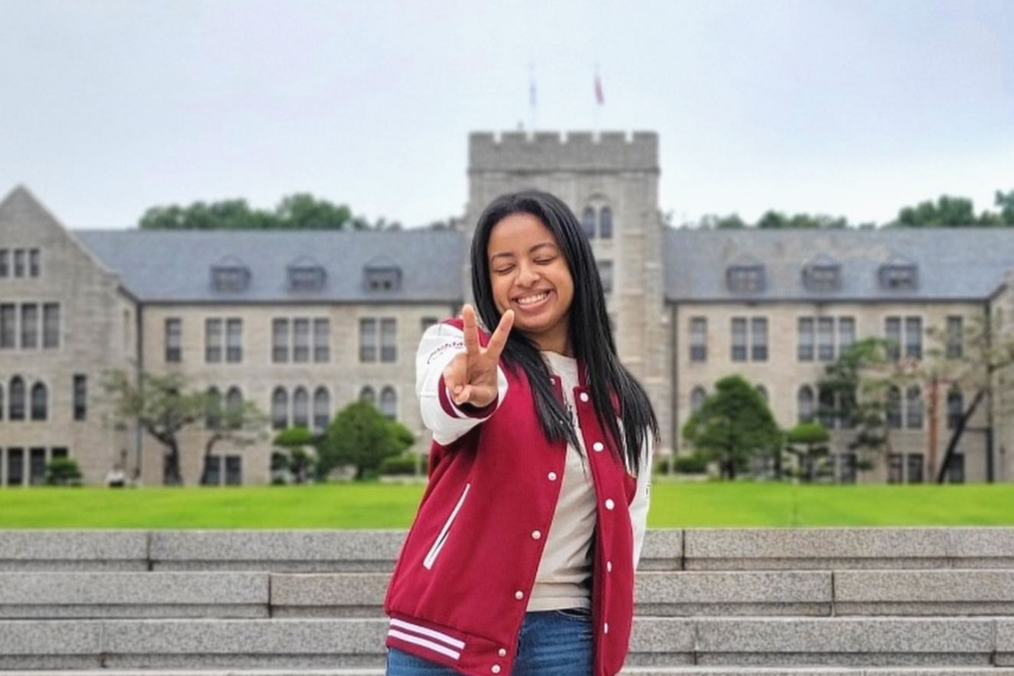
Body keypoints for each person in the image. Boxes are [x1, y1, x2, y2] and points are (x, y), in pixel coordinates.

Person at [384, 190, 659, 676]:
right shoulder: (461, 346)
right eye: (504, 266)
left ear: (576, 264)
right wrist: (470, 393)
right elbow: (442, 406)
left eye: (543, 258)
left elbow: (627, 534)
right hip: (445, 637)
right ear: (487, 282)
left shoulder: (624, 406)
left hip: (564, 641)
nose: (526, 277)